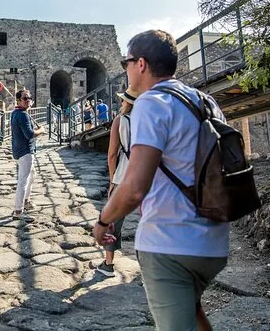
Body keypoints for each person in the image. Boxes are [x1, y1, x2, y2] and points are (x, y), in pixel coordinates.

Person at [93, 30, 229, 331]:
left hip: (170, 242)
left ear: (140, 64)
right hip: (214, 241)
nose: (125, 69)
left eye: (126, 62)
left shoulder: (151, 102)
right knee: (193, 312)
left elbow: (134, 188)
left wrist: (103, 221)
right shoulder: (205, 101)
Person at [91, 87, 138, 277]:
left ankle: (108, 264)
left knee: (111, 220)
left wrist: (112, 180)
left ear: (127, 102)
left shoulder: (121, 120)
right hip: (149, 174)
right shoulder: (149, 119)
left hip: (125, 174)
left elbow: (112, 154)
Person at [10, 89, 45, 222]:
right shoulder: (23, 115)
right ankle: (18, 210)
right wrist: (40, 130)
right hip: (25, 151)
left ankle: (26, 201)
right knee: (23, 181)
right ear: (18, 100)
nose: (28, 100)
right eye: (25, 98)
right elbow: (29, 134)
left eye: (29, 98)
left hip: (20, 150)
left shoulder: (16, 113)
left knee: (32, 174)